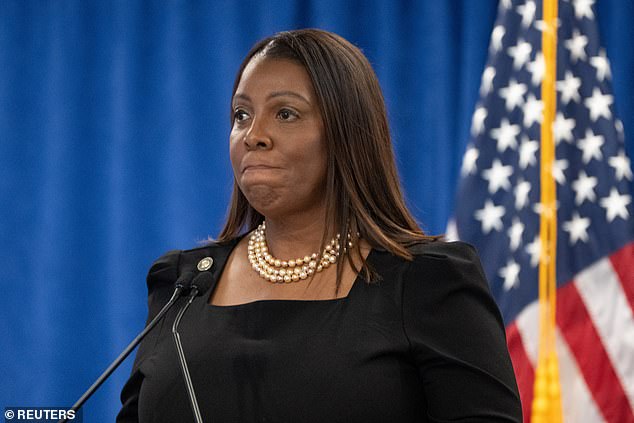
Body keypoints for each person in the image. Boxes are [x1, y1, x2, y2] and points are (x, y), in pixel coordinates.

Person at [117, 29, 522, 422]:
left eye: (286, 113)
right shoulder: (180, 285)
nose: (253, 135)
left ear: (347, 134)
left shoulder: (429, 281)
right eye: (241, 115)